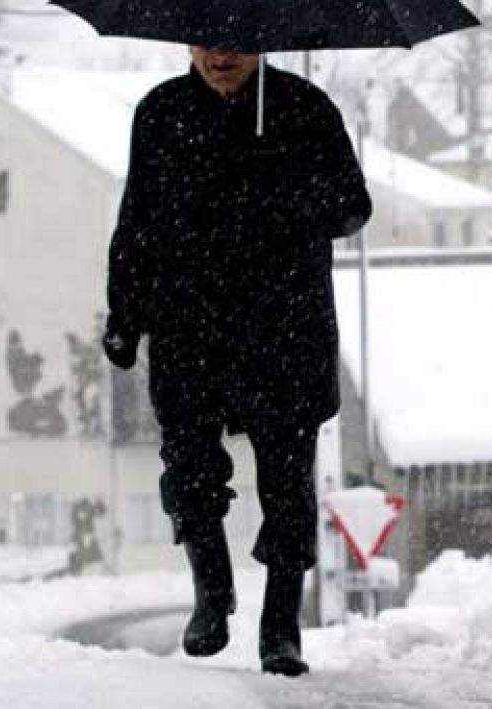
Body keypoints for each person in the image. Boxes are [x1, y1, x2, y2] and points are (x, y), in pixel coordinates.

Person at [102, 46, 371, 677]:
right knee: (188, 468)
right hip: (189, 325)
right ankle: (212, 593)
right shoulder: (162, 114)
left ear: (265, 43)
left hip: (284, 325)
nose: (220, 55)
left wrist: (282, 195)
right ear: (186, 45)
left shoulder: (305, 111)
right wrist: (125, 315)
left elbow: (352, 206)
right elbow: (137, 219)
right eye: (205, 41)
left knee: (286, 480)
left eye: (236, 42)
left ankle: (280, 624)